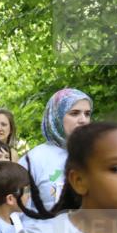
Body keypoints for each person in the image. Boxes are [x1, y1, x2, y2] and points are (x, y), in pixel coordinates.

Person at [19, 88, 92, 218]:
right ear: (56, 117)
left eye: (87, 114)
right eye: (74, 113)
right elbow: (16, 214)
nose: (83, 120)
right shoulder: (34, 160)